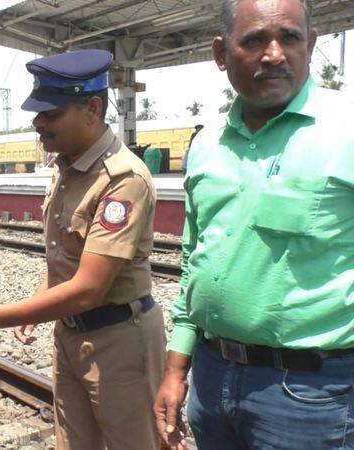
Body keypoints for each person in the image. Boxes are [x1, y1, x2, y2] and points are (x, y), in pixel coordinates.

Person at [0, 50, 166, 450]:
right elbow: (67, 256)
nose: (38, 122)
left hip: (119, 340)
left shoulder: (122, 179)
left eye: (51, 113)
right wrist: (40, 301)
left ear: (92, 108)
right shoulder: (67, 167)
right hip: (70, 333)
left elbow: (89, 287)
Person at [154, 1, 354, 449]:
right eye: (255, 40)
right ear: (221, 54)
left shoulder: (347, 132)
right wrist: (175, 369)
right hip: (210, 377)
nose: (274, 54)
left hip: (310, 395)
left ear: (312, 44)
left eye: (290, 37)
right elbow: (193, 261)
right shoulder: (206, 145)